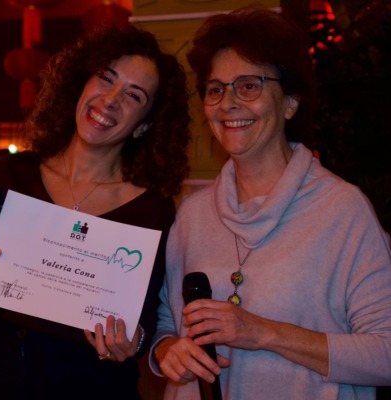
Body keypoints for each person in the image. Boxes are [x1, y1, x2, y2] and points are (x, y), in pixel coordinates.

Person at [150, 6, 391, 400]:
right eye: (215, 88)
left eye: (249, 86)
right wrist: (167, 351)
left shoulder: (342, 210)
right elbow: (164, 322)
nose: (227, 103)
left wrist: (264, 333)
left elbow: (385, 353)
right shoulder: (193, 214)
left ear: (291, 102)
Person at [0, 23, 190, 400]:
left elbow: (146, 321)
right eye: (106, 78)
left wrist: (134, 342)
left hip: (93, 386)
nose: (111, 99)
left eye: (134, 95)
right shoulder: (11, 174)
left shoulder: (152, 210)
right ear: (81, 82)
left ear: (144, 125)